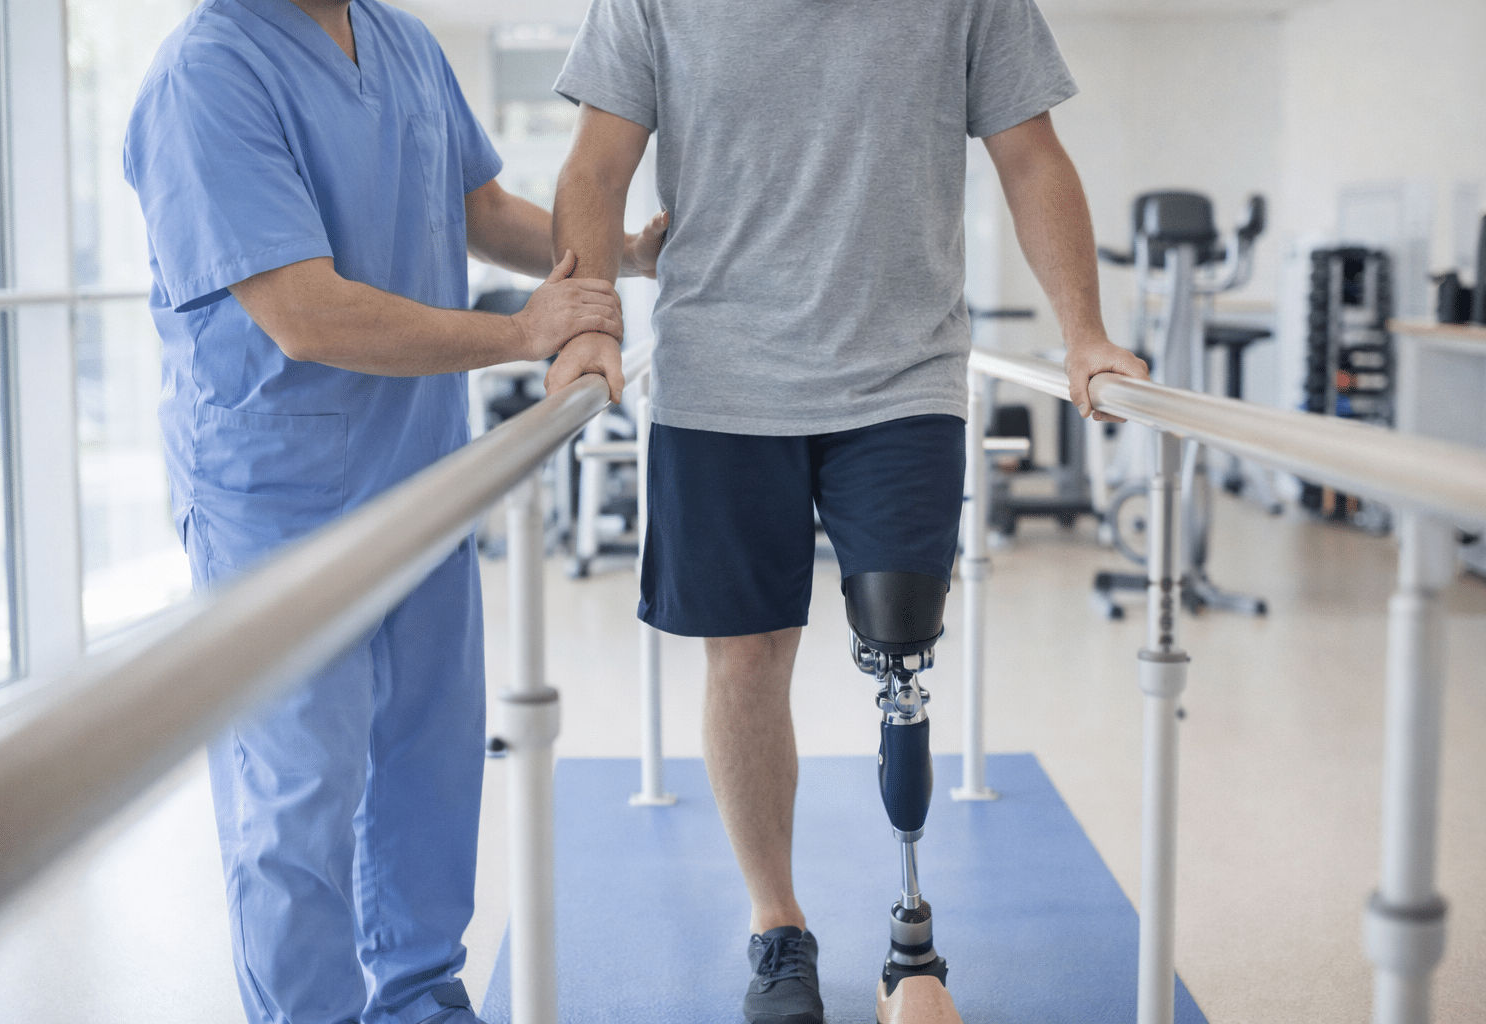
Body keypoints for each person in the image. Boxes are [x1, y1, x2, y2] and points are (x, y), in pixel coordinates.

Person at [545, 1, 1150, 1022]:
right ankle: (776, 926)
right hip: (720, 384)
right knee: (746, 659)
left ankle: (912, 944)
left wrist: (1083, 334)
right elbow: (596, 170)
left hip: (902, 377)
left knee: (904, 652)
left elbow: (1032, 158)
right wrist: (591, 322)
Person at [123, 1, 662, 1022]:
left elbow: (481, 208)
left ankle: (421, 1002)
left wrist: (622, 255)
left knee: (430, 767)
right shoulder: (208, 71)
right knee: (299, 802)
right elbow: (302, 313)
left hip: (421, 476)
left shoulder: (405, 43)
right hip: (277, 500)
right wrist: (522, 336)